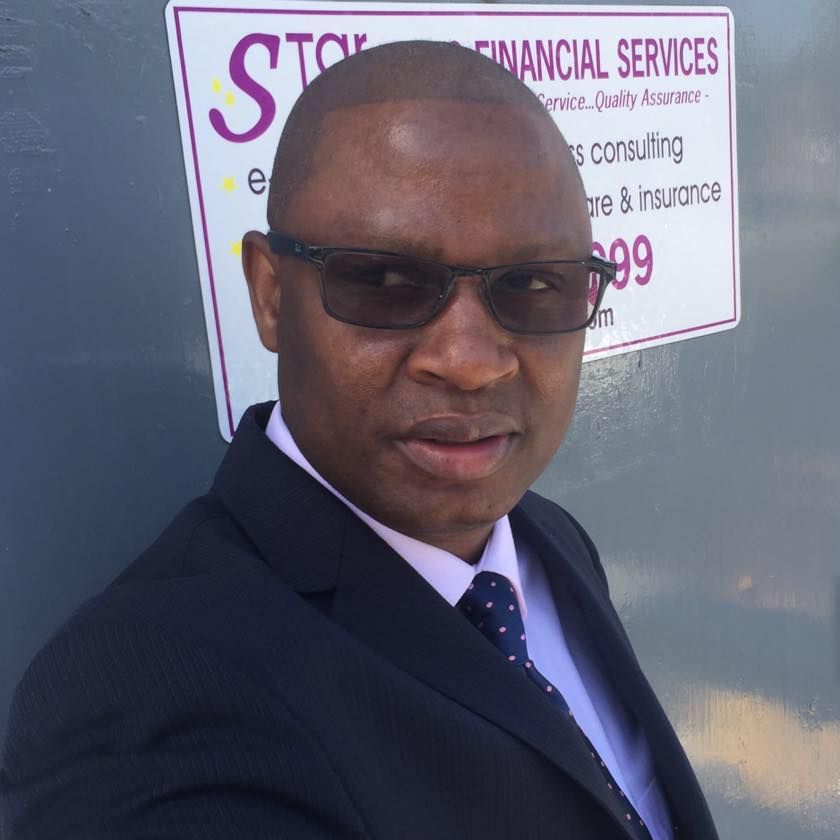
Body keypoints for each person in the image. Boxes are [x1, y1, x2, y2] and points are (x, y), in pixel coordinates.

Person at [0, 41, 717, 839]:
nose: (470, 363)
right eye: (385, 281)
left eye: (534, 285)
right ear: (270, 296)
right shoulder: (146, 688)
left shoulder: (544, 541)